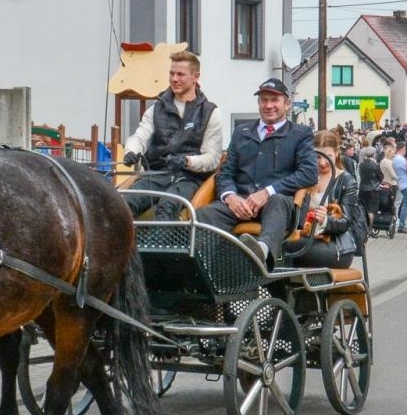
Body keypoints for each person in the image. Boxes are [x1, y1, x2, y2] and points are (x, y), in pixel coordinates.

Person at [195, 78, 318, 266]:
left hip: (279, 204)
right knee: (205, 214)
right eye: (264, 100)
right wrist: (230, 197)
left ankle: (260, 253)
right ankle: (202, 268)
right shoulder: (241, 132)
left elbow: (309, 173)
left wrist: (267, 192)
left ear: (287, 104)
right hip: (241, 203)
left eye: (274, 100)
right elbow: (225, 173)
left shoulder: (300, 133)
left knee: (277, 201)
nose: (268, 105)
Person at [119, 50, 225, 218]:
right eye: (171, 73)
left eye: (180, 74)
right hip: (157, 175)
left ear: (195, 77)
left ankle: (160, 237)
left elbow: (212, 158)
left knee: (167, 206)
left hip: (190, 179)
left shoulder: (210, 112)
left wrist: (187, 161)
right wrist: (131, 151)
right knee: (124, 203)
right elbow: (140, 137)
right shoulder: (155, 109)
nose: (174, 79)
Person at [286, 130, 364, 269]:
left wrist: (326, 220)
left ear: (337, 153)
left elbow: (346, 222)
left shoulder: (346, 181)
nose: (322, 163)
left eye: (328, 156)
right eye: (317, 157)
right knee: (282, 242)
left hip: (336, 246)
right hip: (306, 238)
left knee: (286, 246)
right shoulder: (305, 177)